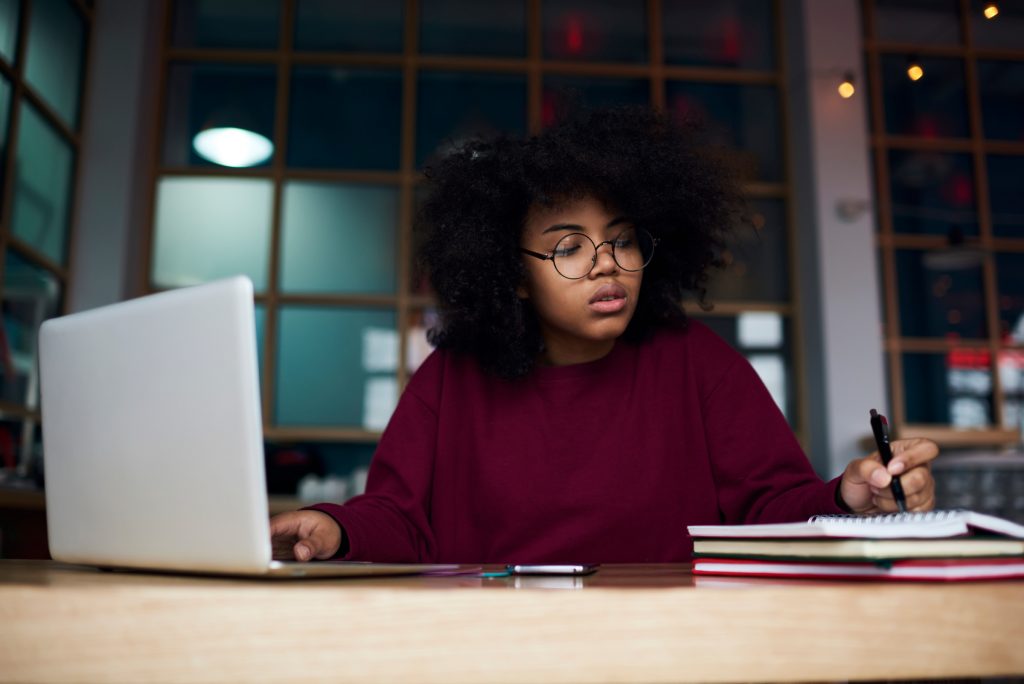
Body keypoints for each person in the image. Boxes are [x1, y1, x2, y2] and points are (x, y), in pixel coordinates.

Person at [269, 106, 937, 564]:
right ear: (516, 276)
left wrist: (847, 497)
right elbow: (400, 518)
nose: (606, 262)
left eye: (621, 240)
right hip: (489, 653)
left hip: (671, 652)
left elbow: (767, 507)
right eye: (568, 248)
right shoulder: (453, 377)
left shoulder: (697, 361)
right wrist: (336, 528)